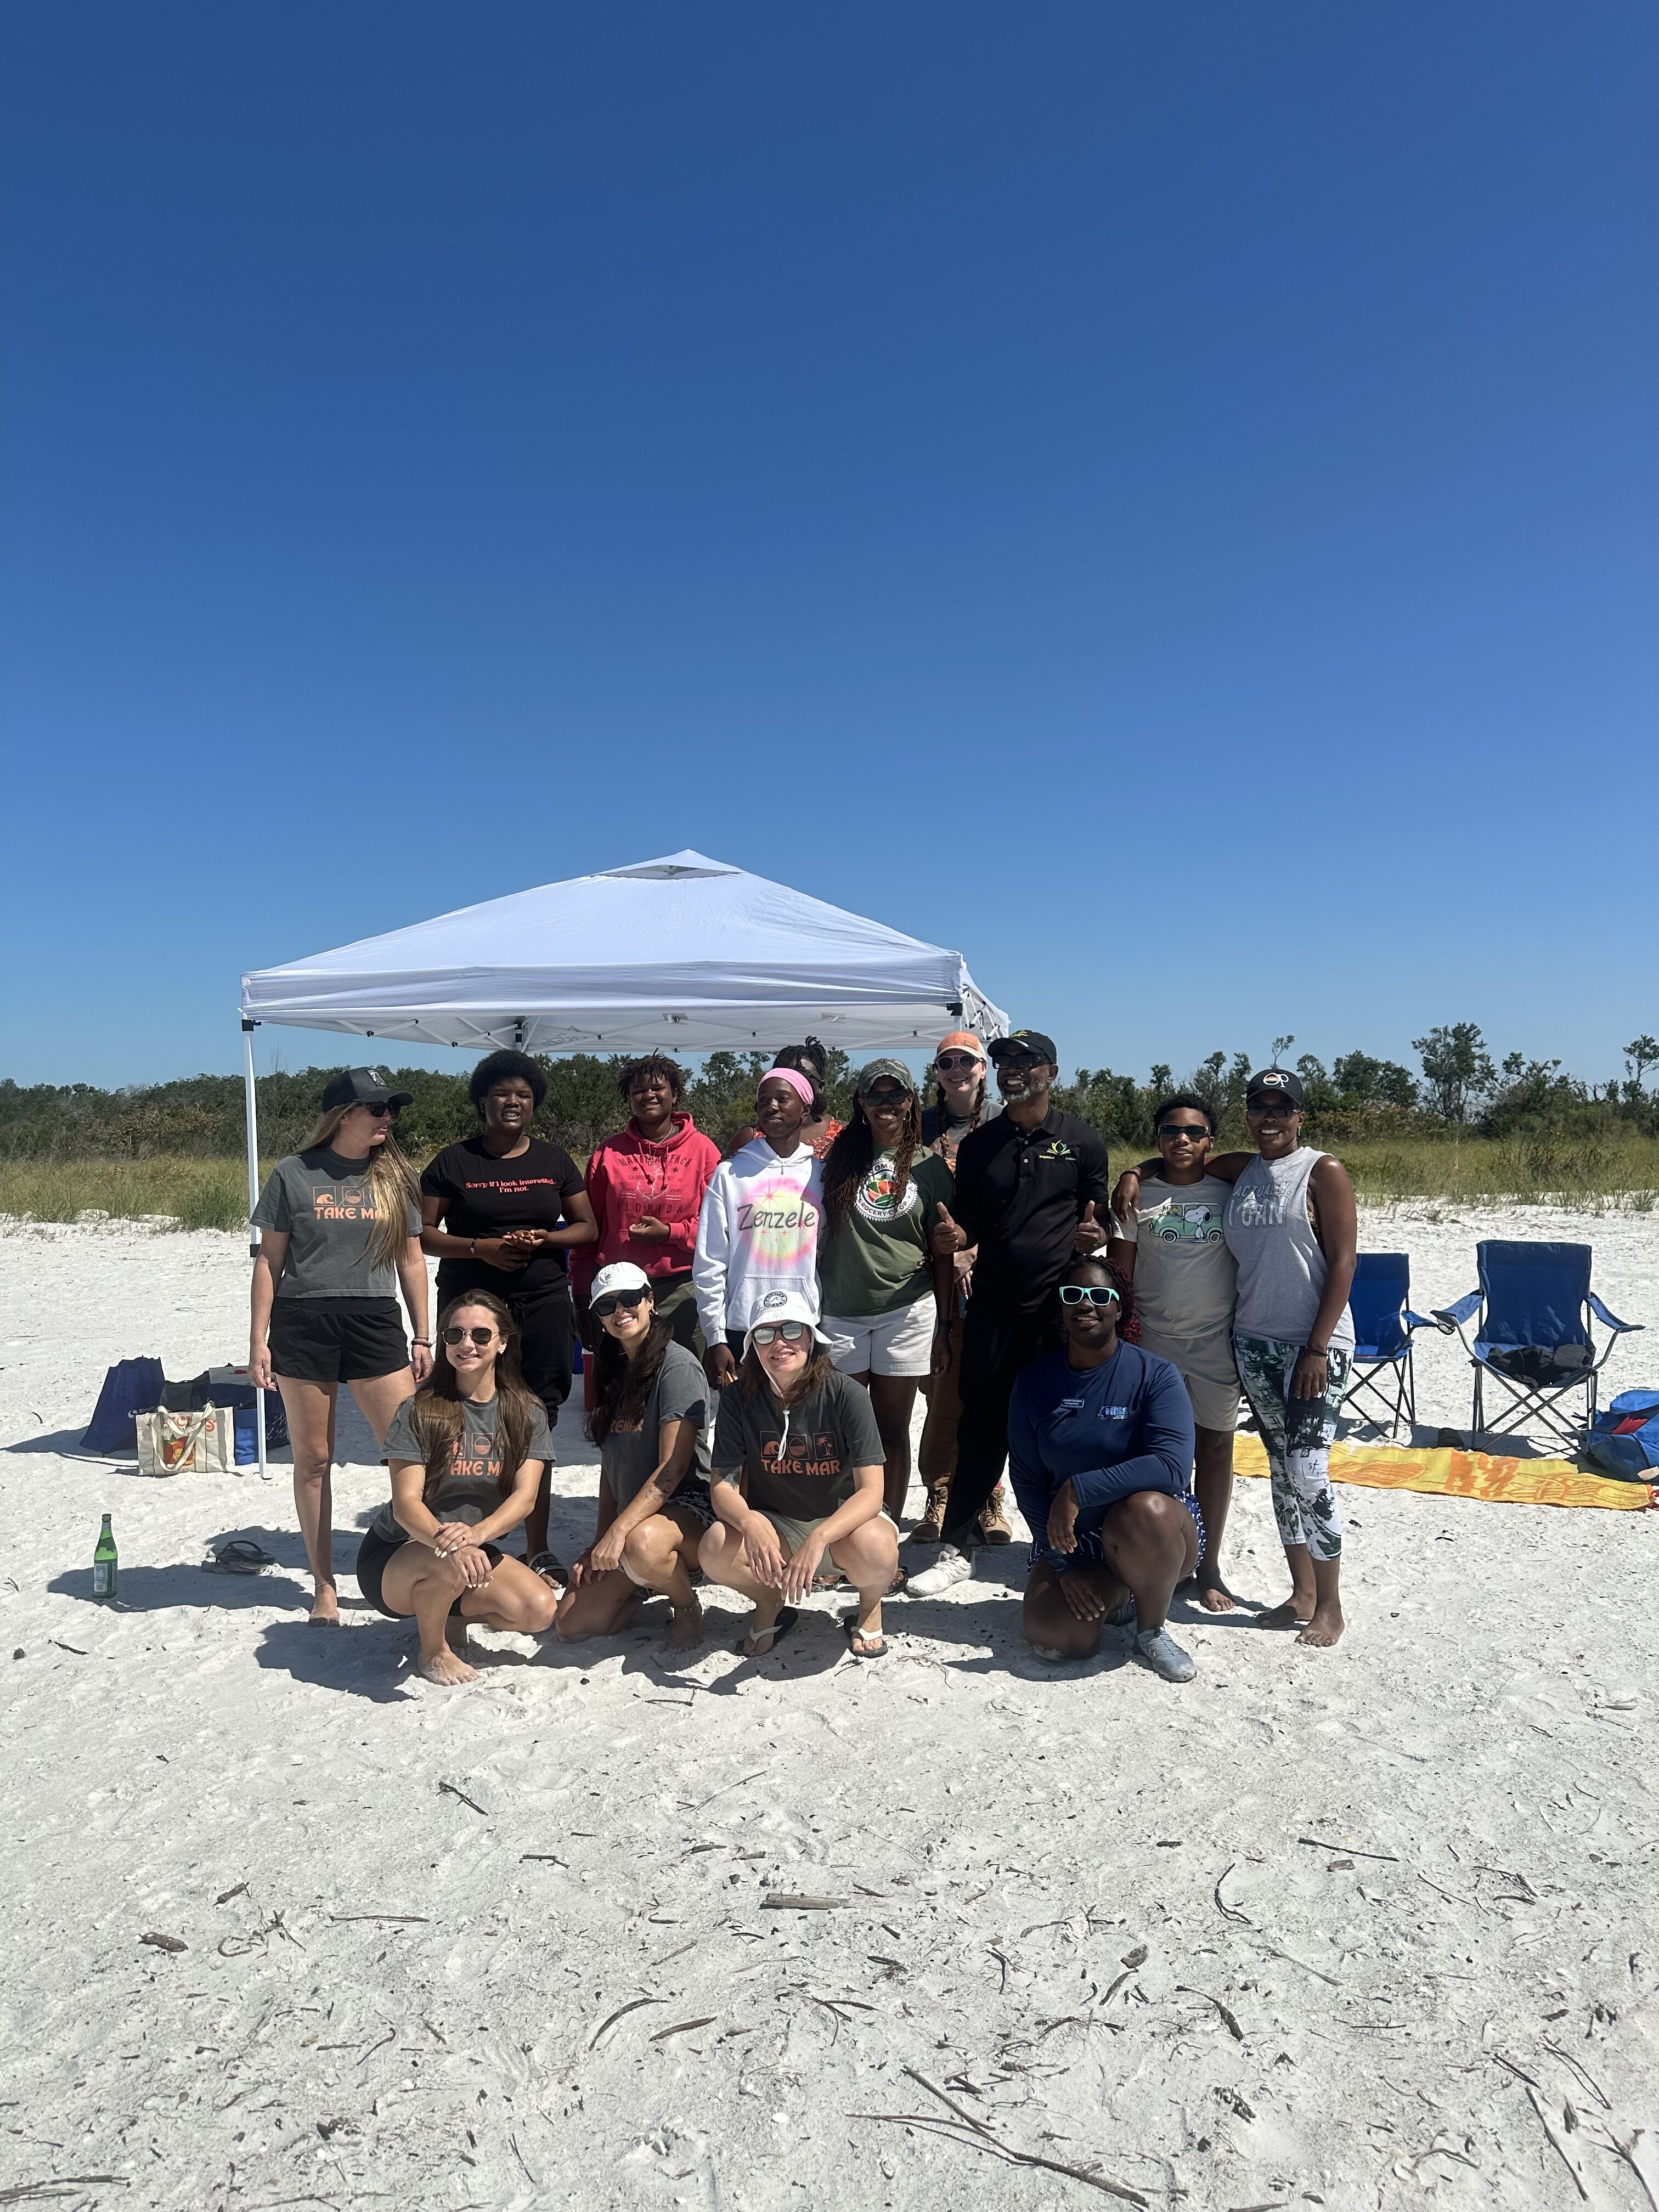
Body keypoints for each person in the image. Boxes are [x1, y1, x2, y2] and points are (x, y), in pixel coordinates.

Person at [1113, 1068, 1357, 1646]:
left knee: (1308, 1469)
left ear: (1300, 1116)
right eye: (1261, 1108)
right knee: (1281, 1468)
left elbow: (1345, 1261)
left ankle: (1329, 1605)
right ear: (1248, 1116)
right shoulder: (1241, 1170)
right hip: (1250, 1339)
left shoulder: (1321, 1169)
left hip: (1310, 1345)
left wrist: (1317, 1346)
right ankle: (1302, 1593)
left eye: (1282, 1108)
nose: (1271, 1119)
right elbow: (1171, 1163)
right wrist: (1131, 1172)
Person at [907, 1029, 1112, 1598]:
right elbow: (971, 1221)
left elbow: (1100, 1219)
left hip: (1057, 1315)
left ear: (1052, 1072)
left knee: (1065, 1430)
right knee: (979, 1426)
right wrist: (956, 1236)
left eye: (1027, 1061)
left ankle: (1071, 1548)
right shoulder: (981, 1145)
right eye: (1004, 1062)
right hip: (992, 1309)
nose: (1013, 1070)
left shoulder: (1081, 1140)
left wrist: (1097, 1234)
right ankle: (957, 1547)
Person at [250, 1066, 431, 1626]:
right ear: (343, 1114)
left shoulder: (395, 1176)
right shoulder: (293, 1173)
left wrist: (423, 1334)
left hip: (375, 1319)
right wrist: (258, 1340)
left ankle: (410, 1562)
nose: (388, 1117)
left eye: (392, 1108)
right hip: (304, 1322)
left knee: (410, 1451)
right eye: (377, 1108)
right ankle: (324, 1584)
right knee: (314, 1460)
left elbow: (412, 1260)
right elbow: (269, 1261)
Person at [419, 1049, 597, 1567]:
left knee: (537, 1417)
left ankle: (537, 1547)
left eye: (523, 1094)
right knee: (459, 1413)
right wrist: (482, 1248)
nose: (512, 1102)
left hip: (542, 1302)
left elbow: (587, 1228)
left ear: (534, 1103)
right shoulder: (453, 1162)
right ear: (482, 1102)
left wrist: (545, 1239)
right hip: (472, 1306)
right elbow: (424, 1234)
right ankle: (455, 1536)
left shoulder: (554, 1160)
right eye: (501, 1093)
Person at [1008, 1254, 1201, 1679]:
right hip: (1069, 1538)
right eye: (1073, 1295)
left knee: (1148, 1508)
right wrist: (1064, 1566)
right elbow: (1025, 1479)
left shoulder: (1156, 1375)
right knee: (1059, 1640)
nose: (1086, 1304)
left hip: (1150, 1531)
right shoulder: (1034, 1381)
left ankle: (1151, 1629)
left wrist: (1080, 1488)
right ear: (1061, 1307)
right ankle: (1121, 1594)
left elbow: (1173, 1467)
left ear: (1119, 1308)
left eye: (1099, 1295)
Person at [354, 1291, 558, 1686]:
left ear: (503, 1342)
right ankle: (433, 1652)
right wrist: (453, 1545)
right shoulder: (419, 1409)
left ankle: (448, 1614)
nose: (467, 1344)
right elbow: (406, 1504)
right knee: (447, 1562)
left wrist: (475, 1537)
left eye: (481, 1335)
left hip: (471, 1545)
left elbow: (525, 1498)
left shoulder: (526, 1411)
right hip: (399, 1553)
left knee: (538, 1610)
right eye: (455, 1334)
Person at [698, 1293, 897, 1658]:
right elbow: (722, 1487)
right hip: (778, 1523)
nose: (779, 1343)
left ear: (811, 1337)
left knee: (878, 1547)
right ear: (752, 1345)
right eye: (765, 1334)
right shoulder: (737, 1398)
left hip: (843, 1526)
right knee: (715, 1547)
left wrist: (821, 1537)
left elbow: (872, 1492)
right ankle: (769, 1602)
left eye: (791, 1330)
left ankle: (870, 1607)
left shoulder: (847, 1393)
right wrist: (749, 1522)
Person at [1107, 1093, 1243, 1611]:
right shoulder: (1138, 1197)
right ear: (1157, 1139)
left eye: (1193, 1132)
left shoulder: (1230, 1192)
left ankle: (1208, 1565)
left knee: (1215, 1449)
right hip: (1153, 1343)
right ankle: (1163, 1558)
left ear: (1211, 1141)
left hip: (1215, 1341)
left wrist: (1133, 1168)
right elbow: (1120, 1275)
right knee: (1158, 1455)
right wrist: (1124, 1344)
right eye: (1170, 1131)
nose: (1181, 1139)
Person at [816, 1061, 955, 1519]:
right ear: (861, 1103)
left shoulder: (931, 1167)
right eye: (874, 1095)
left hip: (906, 1311)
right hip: (841, 1311)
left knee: (892, 1430)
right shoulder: (837, 1159)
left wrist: (943, 1327)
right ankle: (842, 1528)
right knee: (845, 1430)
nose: (885, 1104)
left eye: (896, 1094)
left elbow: (942, 1252)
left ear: (911, 1101)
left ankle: (886, 1529)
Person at [554, 1262, 713, 1649]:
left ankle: (685, 1604)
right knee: (573, 1624)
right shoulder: (613, 1367)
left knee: (643, 1543)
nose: (620, 1311)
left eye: (629, 1299)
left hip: (690, 1511)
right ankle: (649, 1577)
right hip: (637, 1520)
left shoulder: (677, 1366)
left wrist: (618, 1532)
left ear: (650, 1301)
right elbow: (612, 1468)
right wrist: (600, 1541)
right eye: (606, 1306)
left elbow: (672, 1469)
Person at [914, 1032, 1011, 1544]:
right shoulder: (918, 1126)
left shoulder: (1005, 1122)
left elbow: (1018, 1202)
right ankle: (941, 1491)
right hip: (932, 1277)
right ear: (936, 1072)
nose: (957, 1070)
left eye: (966, 1061)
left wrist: (975, 1250)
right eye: (946, 1062)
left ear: (982, 1069)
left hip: (987, 1274)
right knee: (943, 1391)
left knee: (989, 1392)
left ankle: (990, 1495)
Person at [571, 1056, 721, 1355]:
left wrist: (669, 1233)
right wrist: (581, 1294)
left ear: (675, 1094)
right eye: (638, 1090)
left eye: (657, 1088)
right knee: (620, 1377)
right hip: (617, 1293)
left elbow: (717, 1229)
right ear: (629, 1100)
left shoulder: (703, 1151)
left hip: (681, 1289)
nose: (648, 1095)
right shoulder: (608, 1153)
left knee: (682, 1374)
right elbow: (589, 1230)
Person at [693, 1068, 825, 1387]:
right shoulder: (730, 1175)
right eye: (764, 1101)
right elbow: (710, 1261)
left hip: (802, 1324)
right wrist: (716, 1336)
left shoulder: (821, 1175)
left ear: (805, 1109)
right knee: (746, 1414)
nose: (772, 1107)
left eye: (783, 1098)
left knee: (799, 1413)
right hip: (743, 1326)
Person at [730, 1039, 844, 1160]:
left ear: (820, 1087)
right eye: (784, 1076)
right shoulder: (749, 1137)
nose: (792, 1082)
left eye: (803, 1075)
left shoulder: (842, 1134)